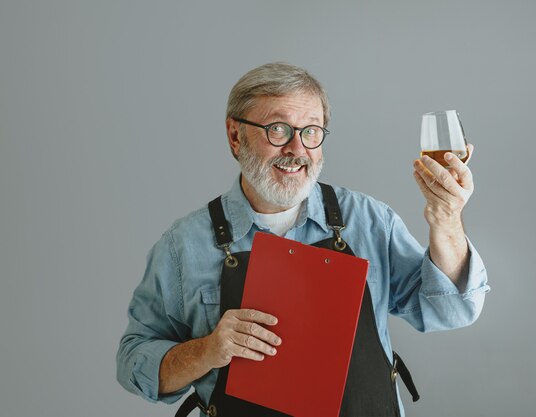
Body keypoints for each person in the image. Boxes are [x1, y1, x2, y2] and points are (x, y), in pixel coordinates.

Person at [116, 62, 490, 417]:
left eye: (311, 131)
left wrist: (446, 220)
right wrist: (206, 351)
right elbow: (134, 362)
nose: (297, 150)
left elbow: (452, 309)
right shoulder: (183, 246)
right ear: (235, 135)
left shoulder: (369, 221)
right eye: (277, 129)